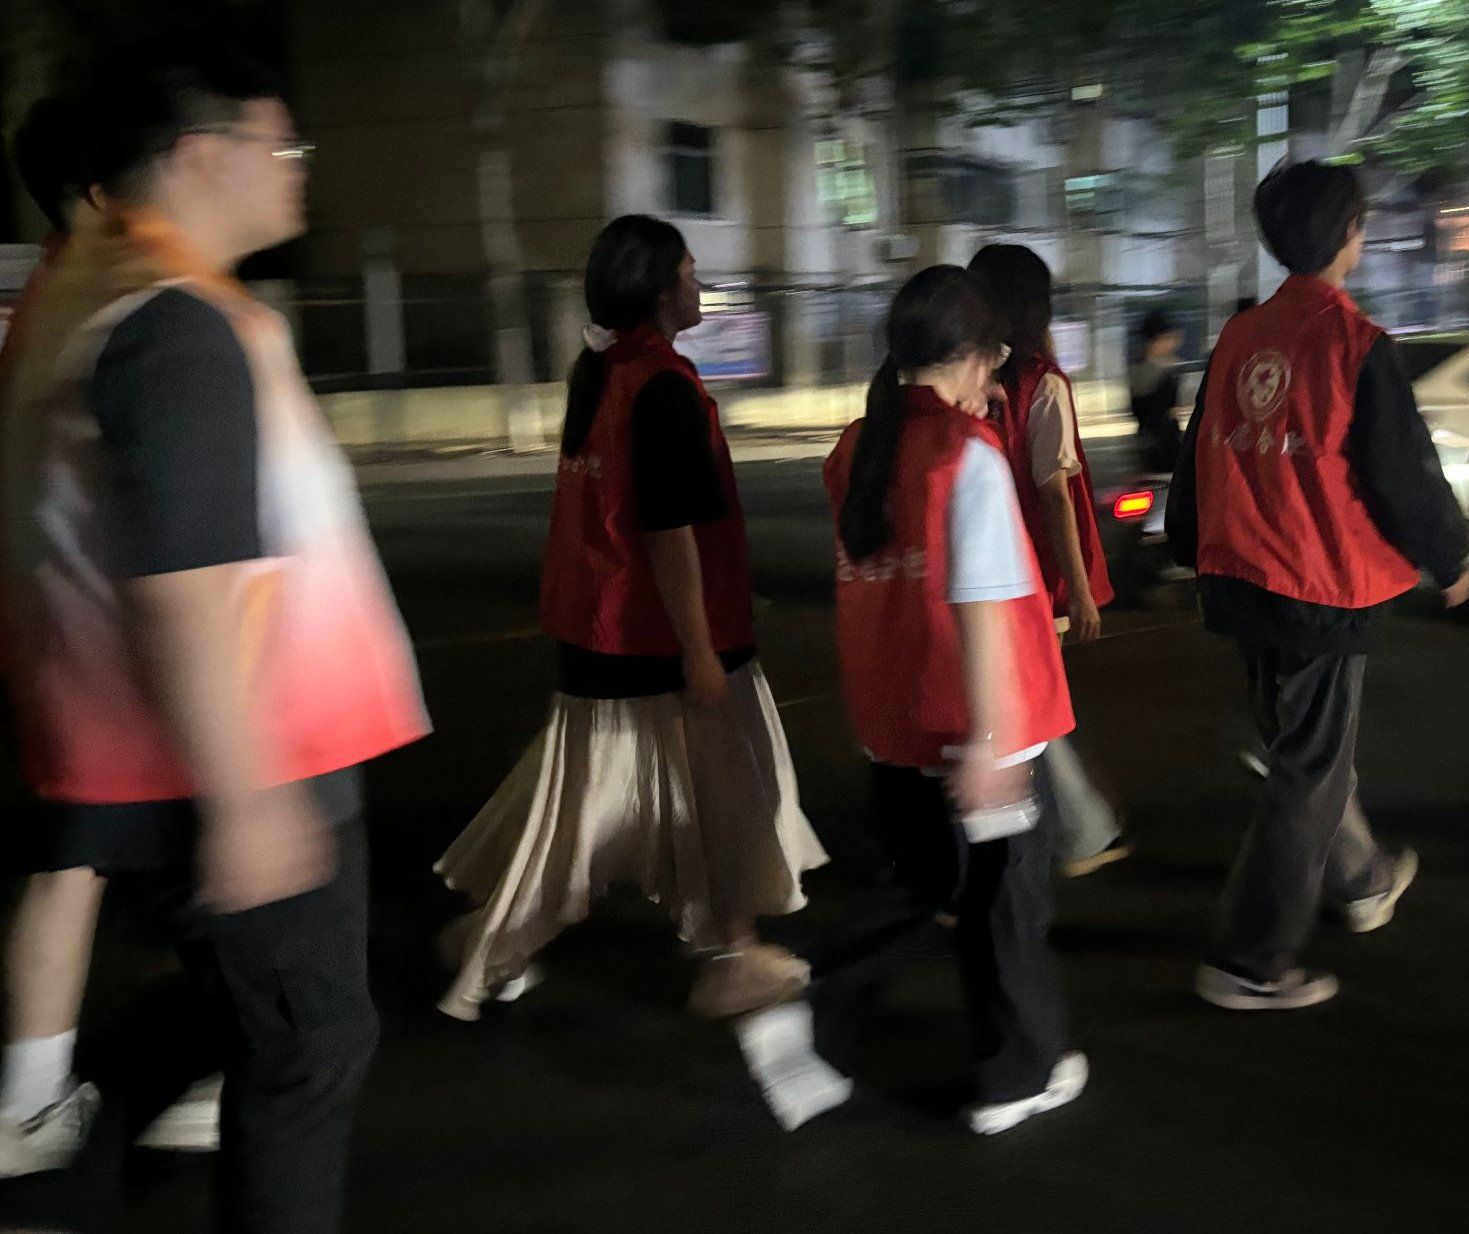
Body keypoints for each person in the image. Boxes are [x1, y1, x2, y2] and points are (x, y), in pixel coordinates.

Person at [0, 49, 429, 1231]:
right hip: (244, 753)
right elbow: (185, 582)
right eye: (279, 147)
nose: (297, 172)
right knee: (310, 1043)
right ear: (200, 157)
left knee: (254, 1022)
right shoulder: (176, 325)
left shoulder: (93, 299)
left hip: (154, 758)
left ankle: (57, 1167)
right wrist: (247, 800)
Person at [434, 214, 825, 1023]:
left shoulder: (603, 374)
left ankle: (511, 933)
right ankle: (718, 954)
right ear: (658, 290)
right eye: (688, 271)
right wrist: (700, 650)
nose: (698, 283)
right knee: (716, 798)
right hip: (654, 635)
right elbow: (667, 531)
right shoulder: (661, 389)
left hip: (601, 631)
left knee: (608, 806)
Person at [742, 265, 1084, 1137]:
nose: (994, 381)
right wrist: (993, 743)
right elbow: (983, 606)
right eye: (993, 361)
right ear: (972, 355)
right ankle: (1017, 1074)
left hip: (893, 721)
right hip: (978, 722)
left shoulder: (862, 445)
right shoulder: (965, 458)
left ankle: (810, 1005)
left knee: (927, 882)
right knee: (1008, 903)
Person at [1166, 160, 1469, 1012]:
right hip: (1319, 585)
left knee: (1305, 755)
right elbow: (1402, 475)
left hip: (1243, 576)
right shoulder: (1354, 342)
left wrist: (1189, 543)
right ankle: (1250, 960)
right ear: (1348, 236)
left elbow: (1201, 451)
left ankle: (1364, 878)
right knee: (1308, 769)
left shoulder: (1241, 335)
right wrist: (1451, 558)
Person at [0, 92, 228, 1178]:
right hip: (127, 660)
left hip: (56, 652)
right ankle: (215, 1078)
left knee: (74, 867)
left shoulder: (44, 300)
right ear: (98, 194)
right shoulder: (125, 305)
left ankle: (30, 1103)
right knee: (226, 866)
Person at [966, 244, 1127, 878]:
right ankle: (1075, 829)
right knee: (1032, 704)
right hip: (1033, 573)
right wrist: (1080, 592)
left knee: (1015, 698)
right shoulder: (1042, 384)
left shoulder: (973, 377)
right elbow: (1055, 493)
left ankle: (1062, 828)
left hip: (982, 568)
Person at [1128, 310, 1185, 474]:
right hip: (1160, 444)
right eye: (1168, 338)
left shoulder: (1143, 366)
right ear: (1156, 340)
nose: (1173, 342)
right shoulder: (1156, 368)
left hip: (1155, 441)